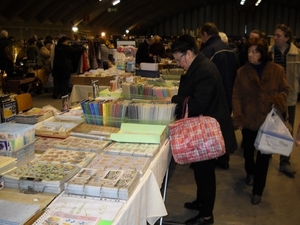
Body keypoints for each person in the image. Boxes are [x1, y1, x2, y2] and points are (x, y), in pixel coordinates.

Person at [170, 34, 237, 225]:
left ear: (188, 53)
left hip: (207, 133)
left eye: (179, 59)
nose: (179, 64)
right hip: (203, 128)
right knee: (200, 171)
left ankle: (206, 216)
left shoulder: (204, 70)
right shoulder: (199, 66)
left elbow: (199, 103)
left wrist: (174, 100)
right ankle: (201, 202)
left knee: (205, 174)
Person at [232, 38, 290, 204]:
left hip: (268, 119)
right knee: (249, 151)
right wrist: (238, 116)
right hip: (249, 119)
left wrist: (279, 99)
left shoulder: (277, 70)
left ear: (263, 53)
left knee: (264, 155)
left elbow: (285, 88)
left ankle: (258, 190)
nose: (251, 54)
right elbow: (236, 95)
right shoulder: (242, 72)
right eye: (249, 51)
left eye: (255, 51)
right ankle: (250, 171)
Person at [199, 22, 239, 170]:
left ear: (205, 34)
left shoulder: (208, 51)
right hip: (229, 94)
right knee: (224, 126)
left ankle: (210, 157)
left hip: (213, 97)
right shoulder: (231, 51)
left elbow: (203, 77)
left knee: (211, 129)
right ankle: (224, 157)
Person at [269, 24, 300, 178]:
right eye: (274, 35)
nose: (275, 38)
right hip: (271, 98)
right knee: (268, 127)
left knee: (287, 130)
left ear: (287, 38)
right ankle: (265, 155)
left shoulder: (297, 55)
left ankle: (284, 162)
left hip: (290, 98)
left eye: (279, 35)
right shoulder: (269, 53)